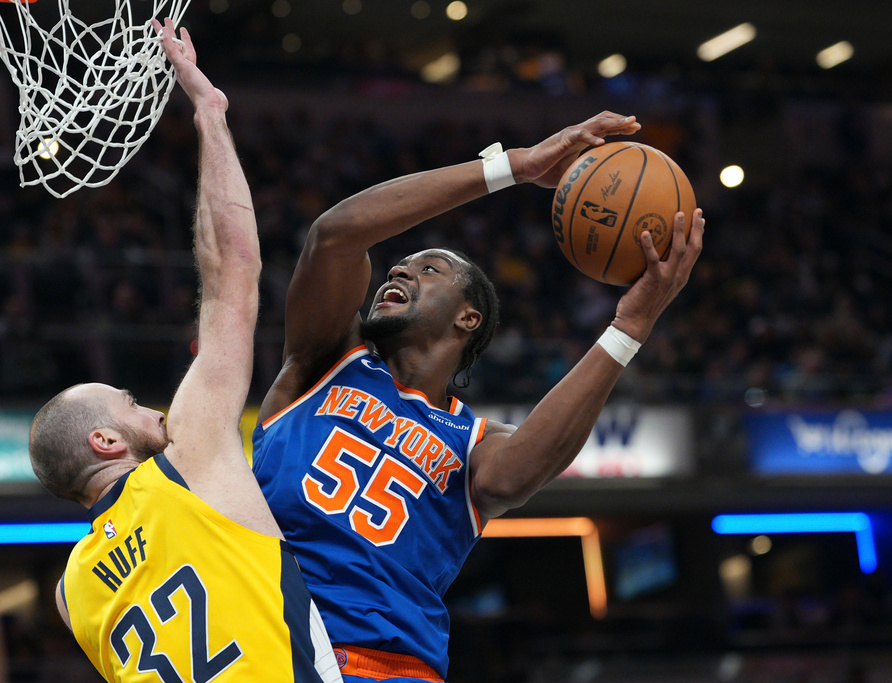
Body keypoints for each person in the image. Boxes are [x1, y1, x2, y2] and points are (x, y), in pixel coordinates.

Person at [253, 112, 706, 682]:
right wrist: (512, 167)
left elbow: (513, 479)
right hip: (260, 643)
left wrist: (631, 325)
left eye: (431, 268)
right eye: (403, 263)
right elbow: (337, 234)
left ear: (469, 317)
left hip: (385, 666)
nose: (401, 268)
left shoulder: (474, 445)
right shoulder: (324, 363)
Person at [27, 19, 342, 683]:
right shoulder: (186, 457)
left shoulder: (69, 594)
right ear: (107, 442)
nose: (153, 410)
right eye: (132, 404)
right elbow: (234, 272)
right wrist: (209, 111)